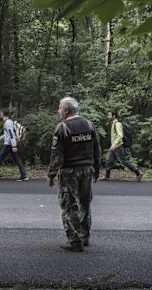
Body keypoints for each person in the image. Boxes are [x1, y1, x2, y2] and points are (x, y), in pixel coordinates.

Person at [47, 97, 101, 252]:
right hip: (87, 169)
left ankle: (74, 240)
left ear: (66, 110)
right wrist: (97, 169)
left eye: (59, 108)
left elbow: (57, 155)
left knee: (69, 205)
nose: (58, 111)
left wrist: (51, 174)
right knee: (85, 202)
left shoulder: (62, 127)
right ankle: (85, 236)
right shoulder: (88, 124)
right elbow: (96, 149)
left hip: (69, 171)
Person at [0, 108, 29, 182]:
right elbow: (6, 135)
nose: (0, 115)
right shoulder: (9, 122)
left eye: (0, 113)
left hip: (8, 144)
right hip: (10, 144)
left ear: (3, 114)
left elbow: (11, 134)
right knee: (17, 160)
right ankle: (24, 175)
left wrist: (14, 145)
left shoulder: (7, 123)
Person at [102, 109, 142, 181]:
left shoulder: (117, 124)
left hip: (118, 147)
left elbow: (120, 136)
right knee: (108, 160)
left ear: (114, 116)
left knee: (124, 161)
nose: (108, 117)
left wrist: (114, 144)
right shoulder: (113, 124)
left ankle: (138, 173)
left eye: (109, 115)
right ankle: (107, 176)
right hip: (114, 147)